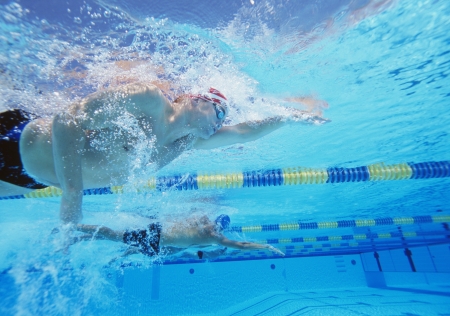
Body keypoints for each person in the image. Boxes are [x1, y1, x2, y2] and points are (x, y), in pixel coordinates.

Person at [0, 83, 329, 224]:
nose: (223, 121)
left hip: (31, 180)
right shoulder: (148, 100)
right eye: (220, 111)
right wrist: (73, 194)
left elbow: (245, 131)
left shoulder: (182, 143)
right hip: (14, 141)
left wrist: (289, 117)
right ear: (196, 98)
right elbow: (67, 118)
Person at [75, 214, 285, 260]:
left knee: (118, 239)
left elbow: (241, 244)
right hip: (156, 237)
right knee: (114, 235)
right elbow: (241, 245)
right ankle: (76, 227)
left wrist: (263, 246)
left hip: (157, 236)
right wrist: (264, 246)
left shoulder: (203, 221)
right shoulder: (214, 236)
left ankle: (82, 236)